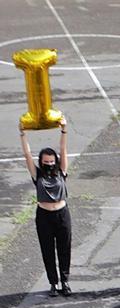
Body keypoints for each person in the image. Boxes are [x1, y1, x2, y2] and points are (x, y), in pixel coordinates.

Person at [20, 116, 73, 296]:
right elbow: (27, 155)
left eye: (52, 161)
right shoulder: (38, 175)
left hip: (62, 214)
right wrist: (23, 134)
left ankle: (65, 281)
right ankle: (53, 283)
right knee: (47, 249)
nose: (49, 164)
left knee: (64, 248)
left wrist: (64, 130)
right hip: (44, 216)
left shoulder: (61, 172)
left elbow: (63, 149)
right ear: (41, 162)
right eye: (46, 161)